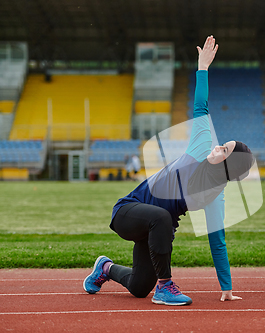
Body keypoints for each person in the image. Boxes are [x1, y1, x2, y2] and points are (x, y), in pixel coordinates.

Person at [83, 36, 255, 305]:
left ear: (228, 166)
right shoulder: (201, 146)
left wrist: (227, 287)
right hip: (128, 212)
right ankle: (165, 287)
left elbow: (217, 241)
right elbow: (201, 106)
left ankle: (105, 268)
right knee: (162, 217)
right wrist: (203, 67)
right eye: (223, 144)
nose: (218, 145)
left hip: (155, 229)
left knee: (139, 287)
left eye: (225, 149)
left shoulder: (214, 194)